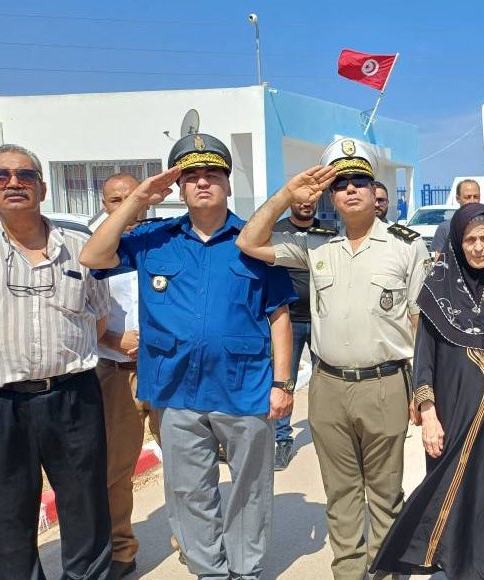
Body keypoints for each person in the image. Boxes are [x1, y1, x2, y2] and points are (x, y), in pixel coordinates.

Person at [80, 133, 297, 580]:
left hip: (245, 386)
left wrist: (282, 383)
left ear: (228, 184)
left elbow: (279, 316)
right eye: (192, 176)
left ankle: (245, 569)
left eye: (212, 174)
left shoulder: (253, 241)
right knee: (188, 490)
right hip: (175, 388)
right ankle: (210, 570)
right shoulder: (153, 238)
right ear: (179, 189)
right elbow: (93, 256)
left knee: (250, 488)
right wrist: (137, 199)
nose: (202, 182)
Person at [236, 136, 430, 579]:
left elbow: (420, 325)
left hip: (386, 383)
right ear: (330, 194)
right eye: (340, 183)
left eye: (360, 180)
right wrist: (287, 194)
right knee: (340, 494)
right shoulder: (315, 245)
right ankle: (348, 572)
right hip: (328, 386)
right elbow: (248, 241)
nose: (351, 189)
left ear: (375, 189)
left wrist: (421, 390)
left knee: (385, 494)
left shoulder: (407, 246)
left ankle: (385, 571)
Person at [372, 203, 484, 578]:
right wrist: (428, 414)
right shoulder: (436, 290)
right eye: (470, 240)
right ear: (457, 243)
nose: (479, 247)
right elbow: (424, 358)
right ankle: (443, 562)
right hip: (452, 412)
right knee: (447, 488)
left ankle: (482, 572)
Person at [0, 144, 112, 580]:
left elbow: (98, 318)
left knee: (86, 506)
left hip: (73, 397)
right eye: (1, 176)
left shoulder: (81, 249)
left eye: (25, 175)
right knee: (5, 515)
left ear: (43, 187)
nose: (13, 183)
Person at [95, 172, 163, 579]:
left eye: (131, 197)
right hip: (115, 372)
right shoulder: (95, 251)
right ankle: (121, 549)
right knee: (115, 470)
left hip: (165, 370)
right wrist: (112, 338)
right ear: (104, 205)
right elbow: (77, 313)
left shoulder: (164, 243)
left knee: (184, 460)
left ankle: (191, 541)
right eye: (114, 200)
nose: (124, 206)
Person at [270, 197, 335, 471]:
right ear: (290, 203)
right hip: (288, 320)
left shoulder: (328, 232)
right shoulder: (278, 231)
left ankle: (328, 436)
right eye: (300, 201)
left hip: (323, 320)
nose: (306, 204)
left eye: (311, 201)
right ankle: (282, 440)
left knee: (327, 382)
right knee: (285, 380)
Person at [431, 178, 480, 256]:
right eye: (467, 197)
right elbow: (440, 260)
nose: (472, 201)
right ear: (458, 198)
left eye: (476, 197)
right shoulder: (445, 228)